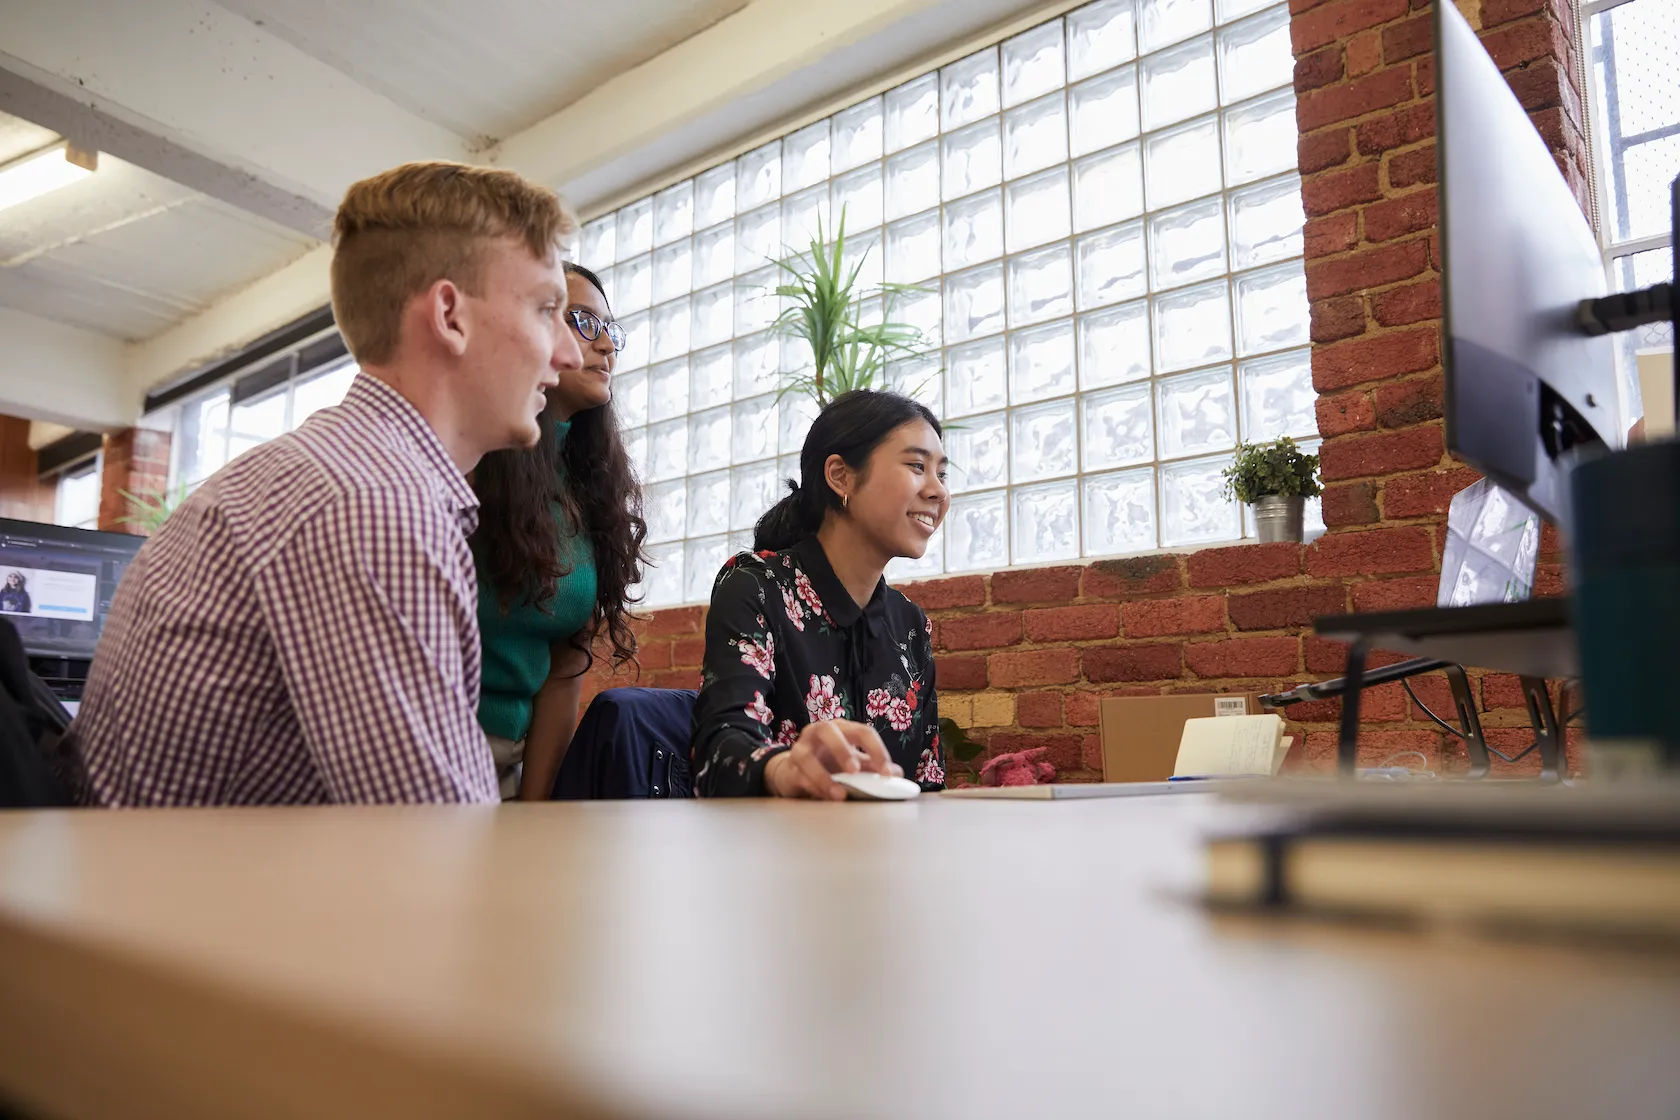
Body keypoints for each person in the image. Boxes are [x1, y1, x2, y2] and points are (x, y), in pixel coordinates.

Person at [59, 161, 582, 806]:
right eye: (546, 309)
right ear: (449, 315)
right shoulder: (376, 505)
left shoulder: (337, 470)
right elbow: (441, 852)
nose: (570, 353)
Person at [690, 390, 948, 799]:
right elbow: (719, 754)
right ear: (840, 476)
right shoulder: (756, 587)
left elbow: (927, 783)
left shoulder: (910, 624)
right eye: (917, 466)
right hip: (774, 852)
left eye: (942, 474)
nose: (938, 492)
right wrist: (780, 769)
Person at [472, 262, 646, 800]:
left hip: (514, 763)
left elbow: (565, 663)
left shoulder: (589, 482)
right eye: (584, 323)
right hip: (426, 750)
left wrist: (534, 808)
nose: (605, 347)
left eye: (611, 331)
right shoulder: (473, 458)